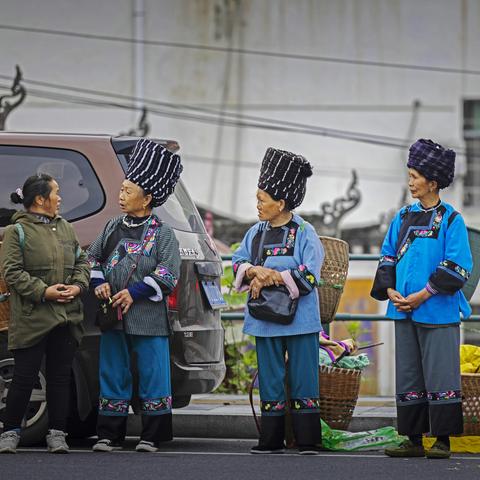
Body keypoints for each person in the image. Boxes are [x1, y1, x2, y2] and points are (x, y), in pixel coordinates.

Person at [371, 139, 472, 459]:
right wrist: (390, 291)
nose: (410, 182)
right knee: (410, 372)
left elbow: (458, 266)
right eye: (410, 175)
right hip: (403, 310)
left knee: (441, 372)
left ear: (433, 181)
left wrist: (422, 295)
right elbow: (387, 257)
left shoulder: (452, 221)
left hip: (438, 310)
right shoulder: (401, 218)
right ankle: (412, 439)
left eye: (415, 176)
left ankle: (442, 440)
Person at [87, 138, 182, 453]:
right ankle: (109, 434)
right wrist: (98, 281)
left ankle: (152, 435)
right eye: (122, 189)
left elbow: (169, 273)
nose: (121, 195)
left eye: (128, 191)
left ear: (148, 198)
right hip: (114, 315)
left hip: (149, 318)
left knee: (154, 372)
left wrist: (135, 292)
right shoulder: (113, 225)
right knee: (112, 371)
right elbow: (91, 259)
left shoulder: (163, 234)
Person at [232, 147, 324, 455]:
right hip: (264, 321)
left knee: (304, 378)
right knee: (270, 379)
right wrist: (255, 271)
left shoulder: (305, 233)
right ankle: (270, 440)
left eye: (262, 199)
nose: (257, 204)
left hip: (301, 321)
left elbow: (310, 276)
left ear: (280, 202)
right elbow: (238, 263)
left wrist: (273, 276)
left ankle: (308, 440)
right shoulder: (255, 233)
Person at [0, 174, 90, 454]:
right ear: (40, 199)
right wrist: (44, 292)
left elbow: (82, 262)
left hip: (66, 315)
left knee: (60, 377)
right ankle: (10, 432)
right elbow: (12, 273)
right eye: (56, 192)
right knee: (24, 376)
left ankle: (57, 434)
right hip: (32, 317)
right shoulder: (17, 232)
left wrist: (77, 286)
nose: (60, 198)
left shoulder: (66, 228)